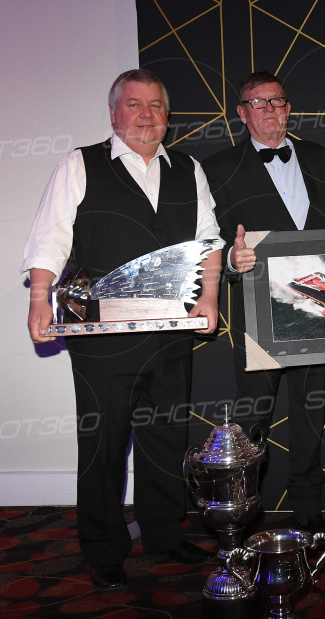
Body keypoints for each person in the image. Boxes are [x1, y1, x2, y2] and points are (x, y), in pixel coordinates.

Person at [23, 69, 222, 590]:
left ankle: (163, 532)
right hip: (101, 338)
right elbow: (49, 237)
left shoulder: (189, 169)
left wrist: (209, 297)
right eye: (134, 104)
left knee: (165, 436)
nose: (145, 115)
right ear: (114, 113)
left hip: (171, 328)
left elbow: (209, 241)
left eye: (155, 105)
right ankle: (103, 547)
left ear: (167, 115)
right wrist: (40, 299)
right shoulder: (79, 164)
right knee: (103, 443)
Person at [203, 71, 325, 544]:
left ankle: (308, 510)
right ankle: (242, 512)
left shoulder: (320, 157)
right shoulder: (218, 168)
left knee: (310, 414)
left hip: (317, 307)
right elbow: (210, 240)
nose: (269, 109)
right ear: (242, 113)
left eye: (277, 101)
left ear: (288, 108)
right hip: (258, 311)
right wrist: (232, 259)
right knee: (253, 417)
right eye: (258, 102)